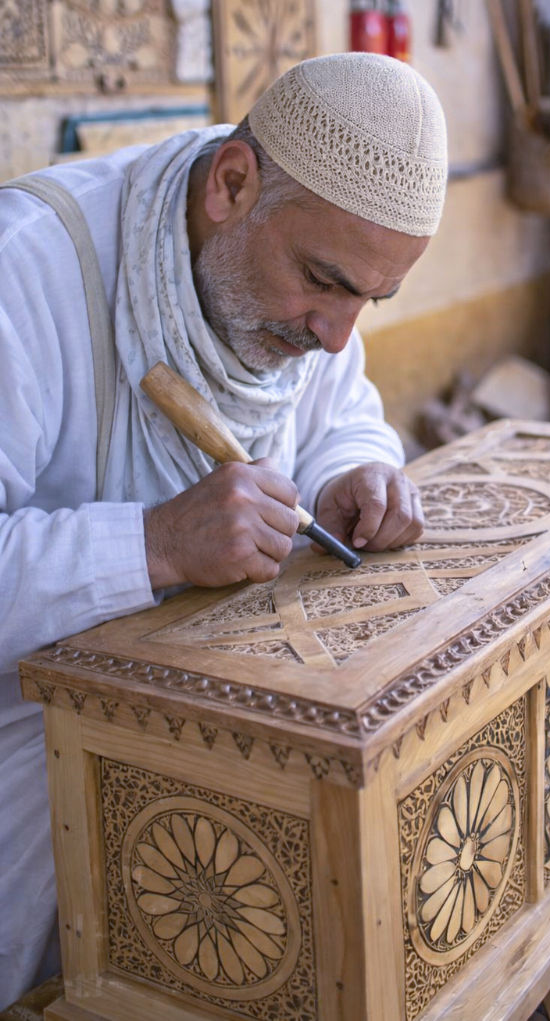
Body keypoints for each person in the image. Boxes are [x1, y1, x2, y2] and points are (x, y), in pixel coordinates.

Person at [0, 51, 448, 1004]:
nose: (336, 331)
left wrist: (353, 471)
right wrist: (155, 544)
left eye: (369, 299)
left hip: (202, 742)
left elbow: (344, 406)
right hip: (20, 750)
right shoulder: (24, 275)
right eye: (325, 282)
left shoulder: (315, 285)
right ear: (232, 184)